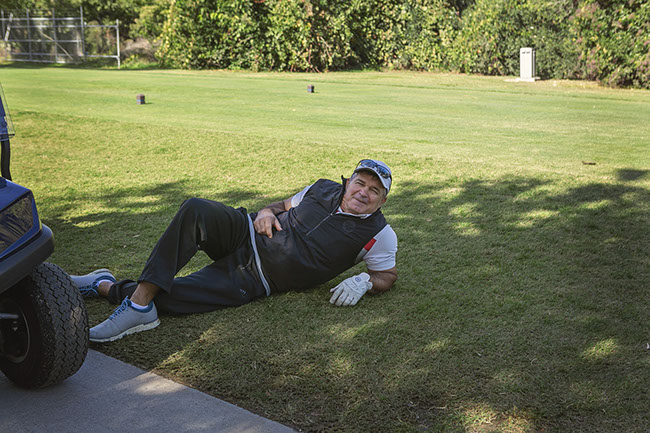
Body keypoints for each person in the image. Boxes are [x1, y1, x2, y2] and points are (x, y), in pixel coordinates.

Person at [72, 159, 398, 343]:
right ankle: (138, 306)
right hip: (245, 231)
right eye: (360, 183)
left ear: (382, 200)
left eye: (374, 190)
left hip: (257, 277)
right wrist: (267, 212)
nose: (363, 192)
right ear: (348, 181)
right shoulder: (323, 187)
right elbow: (283, 204)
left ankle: (103, 285)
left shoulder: (379, 233)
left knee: (174, 297)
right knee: (196, 209)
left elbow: (387, 275)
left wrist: (366, 282)